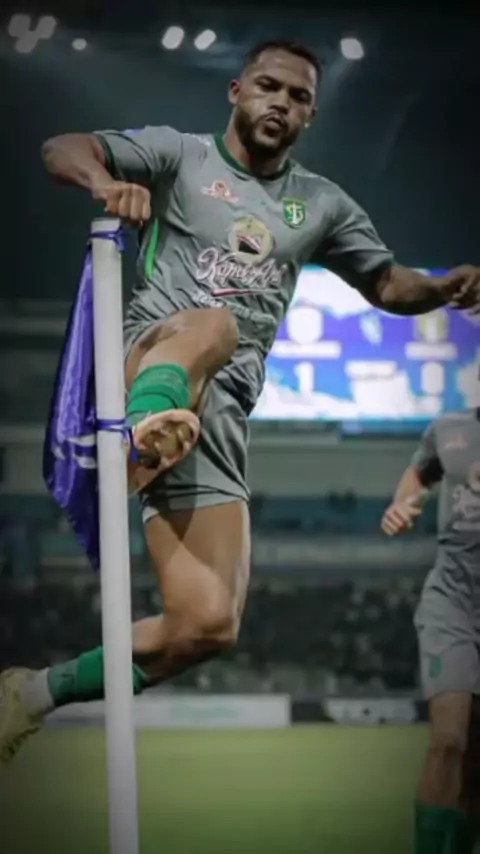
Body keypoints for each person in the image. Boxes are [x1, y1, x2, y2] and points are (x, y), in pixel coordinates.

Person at [1, 38, 480, 765]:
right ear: (236, 90)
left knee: (207, 624)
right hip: (150, 357)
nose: (280, 102)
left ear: (311, 115)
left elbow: (386, 283)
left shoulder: (322, 204)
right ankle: (141, 431)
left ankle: (30, 693)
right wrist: (105, 183)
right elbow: (60, 148)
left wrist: (442, 288)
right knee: (216, 325)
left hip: (218, 415)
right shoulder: (180, 155)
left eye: (298, 96)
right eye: (268, 86)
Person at [381, 406, 480, 853]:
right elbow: (419, 475)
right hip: (452, 602)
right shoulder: (448, 429)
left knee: (475, 760)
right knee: (448, 739)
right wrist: (404, 504)